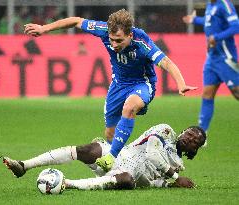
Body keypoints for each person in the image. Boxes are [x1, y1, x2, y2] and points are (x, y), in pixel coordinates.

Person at [24, 9, 197, 171]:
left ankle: (111, 157)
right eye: (112, 39)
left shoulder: (142, 41)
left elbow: (165, 62)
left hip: (141, 84)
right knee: (110, 134)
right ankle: (119, 165)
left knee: (129, 107)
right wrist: (44, 28)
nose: (114, 44)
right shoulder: (103, 29)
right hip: (118, 84)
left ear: (130, 35)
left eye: (119, 40)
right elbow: (76, 21)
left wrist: (180, 83)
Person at [2, 124, 206, 190]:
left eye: (195, 140)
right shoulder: (165, 131)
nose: (190, 138)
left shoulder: (178, 165)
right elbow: (152, 154)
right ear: (183, 131)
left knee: (126, 181)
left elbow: (155, 182)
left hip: (129, 174)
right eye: (189, 133)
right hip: (120, 155)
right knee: (88, 150)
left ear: (195, 150)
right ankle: (24, 165)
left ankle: (67, 184)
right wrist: (175, 178)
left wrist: (169, 183)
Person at [183, 0, 239, 136]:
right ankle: (201, 134)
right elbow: (209, 22)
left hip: (226, 58)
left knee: (237, 93)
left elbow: (236, 26)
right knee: (207, 94)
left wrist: (217, 37)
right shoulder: (210, 5)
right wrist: (195, 19)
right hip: (212, 59)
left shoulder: (224, 4)